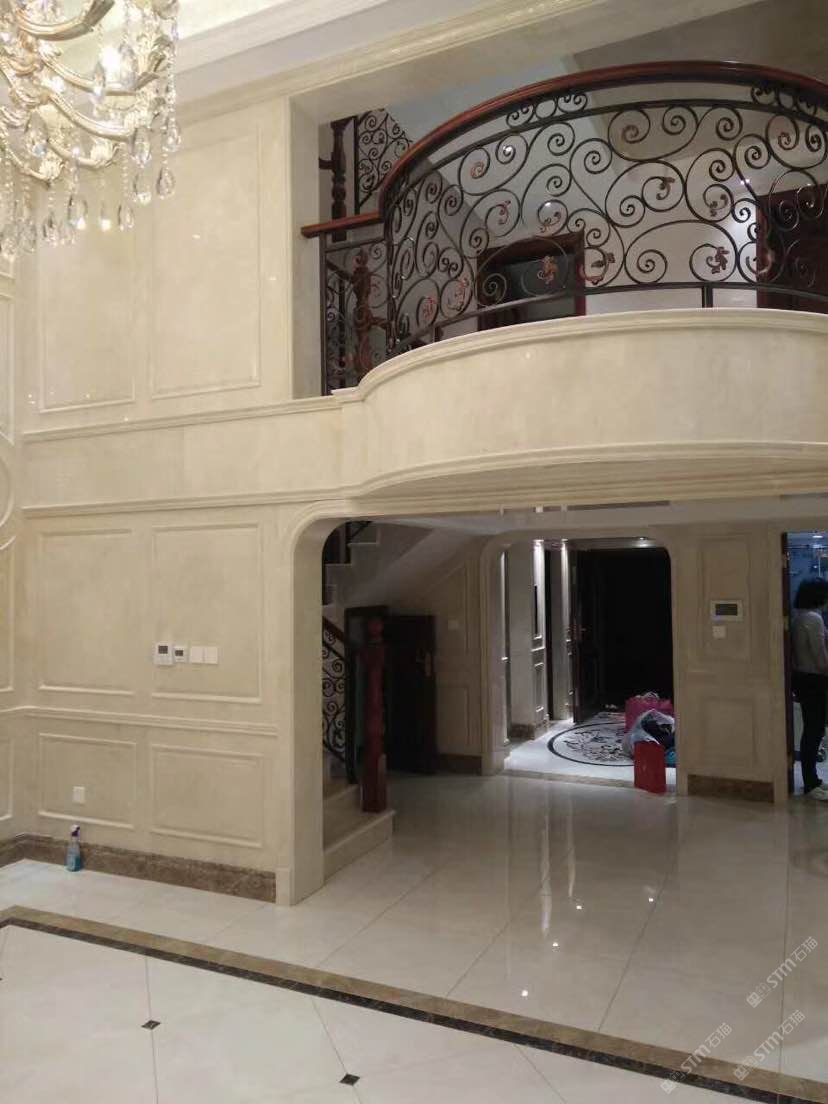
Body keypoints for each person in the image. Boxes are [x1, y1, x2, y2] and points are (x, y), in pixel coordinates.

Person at [792, 577, 828, 800]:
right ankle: (811, 783)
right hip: (814, 680)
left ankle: (812, 779)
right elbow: (821, 659)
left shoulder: (799, 617)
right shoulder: (813, 619)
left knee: (812, 730)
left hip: (803, 679)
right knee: (814, 730)